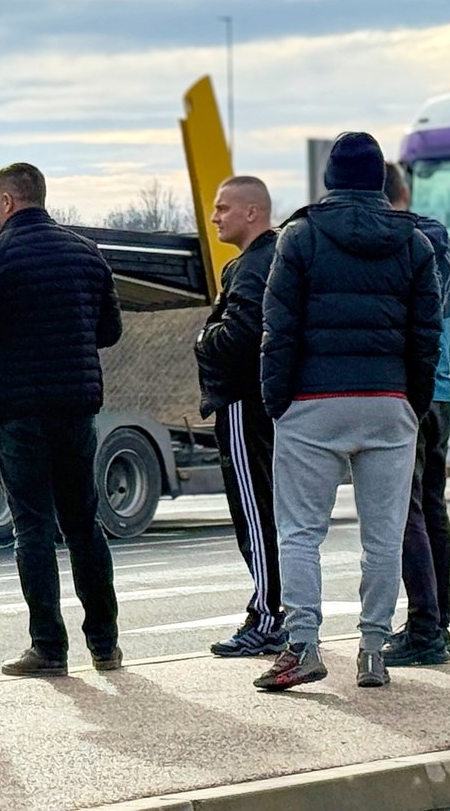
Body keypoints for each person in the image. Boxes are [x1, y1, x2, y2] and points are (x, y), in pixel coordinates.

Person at [254, 132, 441, 692]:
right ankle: (374, 650)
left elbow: (277, 329)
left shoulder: (301, 236)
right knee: (383, 537)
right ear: (382, 184)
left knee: (300, 533)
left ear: (330, 179)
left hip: (313, 402)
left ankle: (304, 645)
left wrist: (277, 403)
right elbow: (426, 336)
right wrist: (413, 401)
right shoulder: (415, 243)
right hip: (388, 403)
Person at [0, 162, 124, 678]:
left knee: (33, 526)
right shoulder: (86, 254)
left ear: (4, 202)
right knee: (84, 522)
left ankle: (48, 647)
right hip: (75, 405)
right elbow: (108, 330)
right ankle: (105, 644)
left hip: (16, 410)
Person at [382, 162, 450, 667]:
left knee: (404, 511)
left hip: (405, 392)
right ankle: (436, 623)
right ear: (404, 191)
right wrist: (440, 357)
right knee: (433, 507)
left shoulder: (395, 245)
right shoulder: (443, 244)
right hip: (442, 394)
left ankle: (422, 629)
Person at [195, 176, 285, 657]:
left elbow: (240, 335)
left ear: (253, 212)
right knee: (279, 511)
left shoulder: (249, 267)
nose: (215, 218)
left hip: (242, 403)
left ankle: (269, 617)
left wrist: (202, 341)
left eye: (223, 208)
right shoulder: (282, 258)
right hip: (273, 401)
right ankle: (281, 609)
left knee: (254, 510)